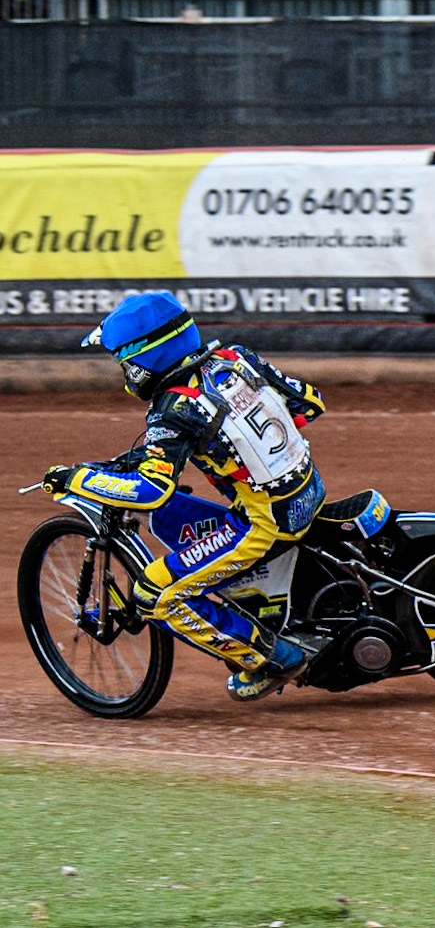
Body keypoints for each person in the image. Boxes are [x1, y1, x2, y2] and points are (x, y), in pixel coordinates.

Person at [41, 292, 327, 702]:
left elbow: (149, 492)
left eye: (123, 358)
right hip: (309, 490)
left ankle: (273, 659)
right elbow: (308, 403)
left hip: (264, 523)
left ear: (145, 357)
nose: (123, 370)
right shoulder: (235, 358)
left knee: (153, 594)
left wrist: (77, 480)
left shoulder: (173, 407)